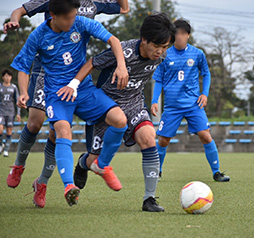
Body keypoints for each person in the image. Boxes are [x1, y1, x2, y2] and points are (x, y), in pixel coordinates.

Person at [4, 0, 129, 208]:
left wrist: (122, 66)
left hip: (83, 88)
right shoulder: (38, 35)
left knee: (119, 119)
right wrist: (24, 93)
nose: (72, 21)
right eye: (68, 18)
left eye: (74, 16)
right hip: (56, 93)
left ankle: (100, 165)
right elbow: (23, 67)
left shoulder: (80, 22)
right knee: (57, 130)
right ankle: (67, 185)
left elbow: (114, 40)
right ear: (52, 15)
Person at [72, 13, 176, 212]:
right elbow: (92, 62)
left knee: (148, 136)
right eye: (157, 46)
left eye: (165, 47)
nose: (160, 52)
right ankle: (83, 163)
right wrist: (74, 85)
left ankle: (149, 199)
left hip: (134, 103)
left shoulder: (161, 57)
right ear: (144, 39)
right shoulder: (124, 51)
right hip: (107, 107)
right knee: (94, 159)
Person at [151, 19, 230, 182]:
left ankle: (216, 172)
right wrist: (154, 101)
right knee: (163, 140)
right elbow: (158, 80)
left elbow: (206, 74)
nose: (178, 36)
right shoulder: (164, 54)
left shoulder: (197, 54)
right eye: (176, 33)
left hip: (194, 104)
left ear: (188, 35)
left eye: (182, 33)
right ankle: (156, 172)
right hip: (172, 106)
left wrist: (204, 93)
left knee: (205, 136)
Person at [0, 69, 21, 157]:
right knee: (0, 129)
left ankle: (6, 150)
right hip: (1, 111)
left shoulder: (14, 87)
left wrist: (18, 113)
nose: (7, 78)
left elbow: (18, 100)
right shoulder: (0, 87)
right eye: (5, 76)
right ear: (3, 77)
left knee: (9, 131)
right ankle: (1, 145)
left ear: (11, 77)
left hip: (10, 112)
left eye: (9, 76)